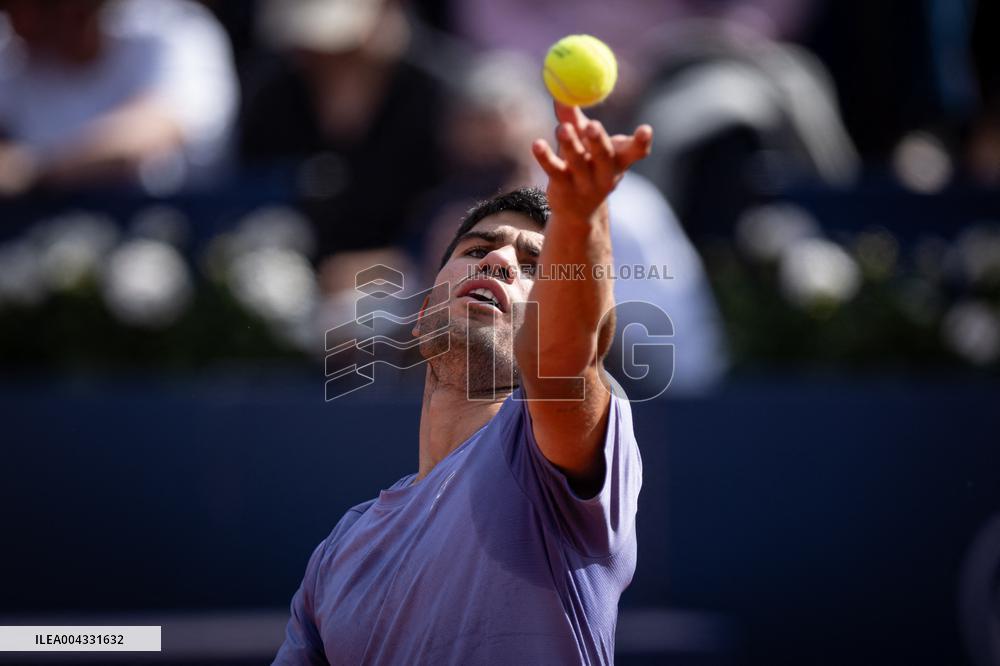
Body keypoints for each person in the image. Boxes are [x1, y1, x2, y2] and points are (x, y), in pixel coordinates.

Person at [273, 103, 654, 664]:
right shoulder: (338, 554)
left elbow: (563, 362)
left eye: (533, 266)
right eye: (477, 250)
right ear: (426, 308)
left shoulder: (550, 454)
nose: (498, 260)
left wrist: (582, 215)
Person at [0, 0, 238, 195]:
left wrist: (36, 168)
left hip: (185, 223)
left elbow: (155, 129)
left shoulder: (173, 29)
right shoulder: (12, 60)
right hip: (47, 235)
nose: (12, 21)